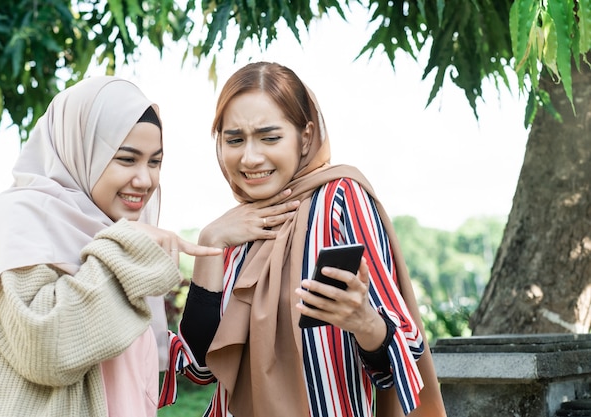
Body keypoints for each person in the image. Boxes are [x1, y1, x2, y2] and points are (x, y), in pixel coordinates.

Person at [168, 62, 447, 417]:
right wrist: (210, 242)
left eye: (270, 137)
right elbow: (200, 367)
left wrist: (364, 322)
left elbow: (403, 357)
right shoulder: (235, 229)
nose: (250, 157)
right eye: (234, 139)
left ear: (305, 136)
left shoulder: (340, 199)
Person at [0, 76, 223, 417]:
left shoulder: (111, 232)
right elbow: (46, 348)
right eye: (127, 159)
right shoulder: (22, 221)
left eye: (155, 162)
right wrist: (126, 252)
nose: (145, 180)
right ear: (81, 149)